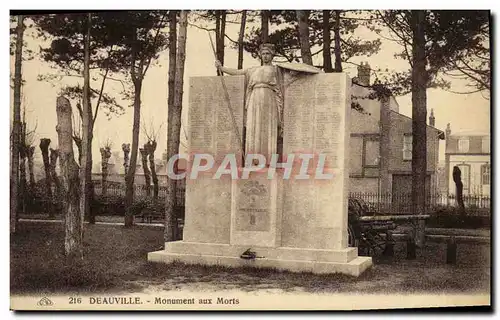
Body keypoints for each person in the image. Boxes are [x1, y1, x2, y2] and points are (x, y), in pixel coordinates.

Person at [215, 43, 283, 166]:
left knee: (267, 127)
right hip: (254, 98)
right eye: (263, 54)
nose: (265, 56)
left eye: (268, 54)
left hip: (269, 98)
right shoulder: (253, 70)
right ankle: (253, 160)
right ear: (260, 56)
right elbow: (237, 72)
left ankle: (268, 160)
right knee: (254, 126)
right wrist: (222, 68)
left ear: (272, 55)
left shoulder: (276, 70)